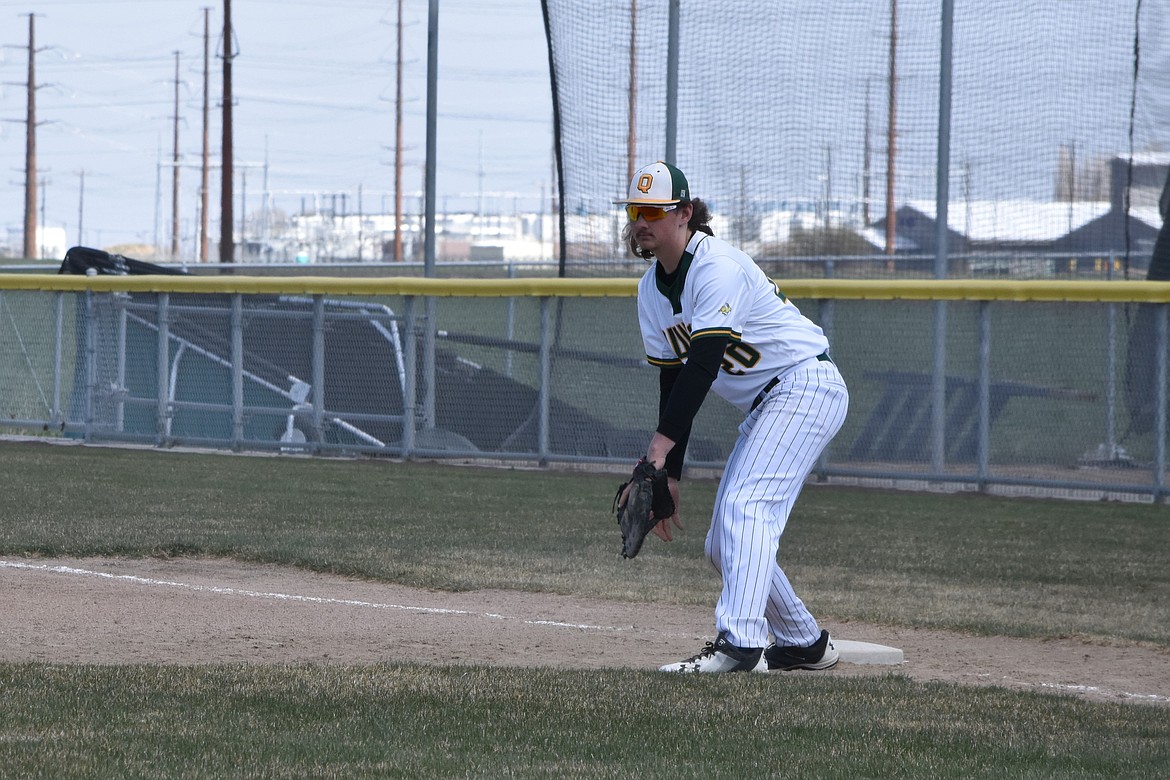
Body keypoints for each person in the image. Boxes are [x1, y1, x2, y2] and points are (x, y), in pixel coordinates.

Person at [615, 160, 849, 673]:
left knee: (746, 508)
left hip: (804, 384)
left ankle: (738, 646)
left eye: (654, 210)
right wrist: (669, 475)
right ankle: (803, 641)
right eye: (636, 211)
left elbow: (703, 364)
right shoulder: (650, 290)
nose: (642, 222)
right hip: (771, 402)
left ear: (684, 213)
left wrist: (655, 454)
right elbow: (673, 378)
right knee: (724, 543)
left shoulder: (716, 265)